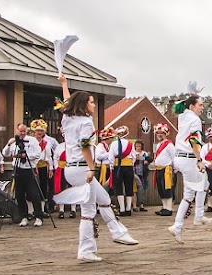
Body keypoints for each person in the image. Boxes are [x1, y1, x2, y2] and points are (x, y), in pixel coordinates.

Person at [51, 74, 139, 262]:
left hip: (72, 168)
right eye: (91, 102)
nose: (93, 105)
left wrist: (64, 84)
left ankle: (117, 232)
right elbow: (85, 146)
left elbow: (66, 102)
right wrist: (92, 169)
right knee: (89, 210)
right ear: (84, 105)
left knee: (104, 198)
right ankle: (86, 249)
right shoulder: (85, 122)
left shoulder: (67, 119)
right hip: (82, 168)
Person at [168, 93, 212, 242]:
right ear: (192, 106)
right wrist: (199, 160)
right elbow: (194, 141)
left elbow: (183, 104)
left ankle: (185, 222)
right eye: (200, 105)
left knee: (200, 185)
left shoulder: (183, 116)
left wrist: (192, 93)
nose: (202, 107)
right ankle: (192, 219)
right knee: (194, 191)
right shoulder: (195, 120)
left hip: (179, 158)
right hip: (189, 158)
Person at [3, 123, 46, 227]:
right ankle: (24, 216)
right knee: (19, 194)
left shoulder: (32, 140)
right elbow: (5, 153)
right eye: (20, 131)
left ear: (26, 131)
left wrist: (25, 156)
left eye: (24, 131)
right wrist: (9, 144)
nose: (22, 133)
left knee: (34, 194)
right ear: (17, 131)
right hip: (18, 169)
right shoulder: (14, 142)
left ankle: (38, 216)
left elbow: (37, 154)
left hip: (29, 169)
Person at [109, 126, 138, 216]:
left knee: (119, 187)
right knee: (129, 187)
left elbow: (111, 157)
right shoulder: (130, 144)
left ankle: (122, 209)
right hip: (128, 166)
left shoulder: (113, 144)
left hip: (118, 167)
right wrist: (131, 164)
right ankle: (128, 208)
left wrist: (112, 166)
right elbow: (134, 156)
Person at [150, 123, 176, 216]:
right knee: (160, 189)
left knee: (167, 188)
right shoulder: (158, 145)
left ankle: (169, 208)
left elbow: (174, 158)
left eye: (161, 133)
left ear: (165, 134)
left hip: (166, 169)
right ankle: (164, 207)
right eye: (158, 133)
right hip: (158, 169)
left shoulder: (169, 145)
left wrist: (174, 170)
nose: (159, 135)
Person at [132, 140, 150, 212]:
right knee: (134, 189)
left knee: (142, 188)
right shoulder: (132, 153)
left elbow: (149, 160)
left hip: (142, 173)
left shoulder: (144, 153)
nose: (138, 147)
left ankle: (141, 205)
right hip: (134, 172)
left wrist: (146, 161)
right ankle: (134, 205)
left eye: (139, 146)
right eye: (137, 146)